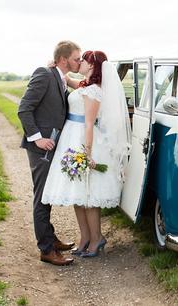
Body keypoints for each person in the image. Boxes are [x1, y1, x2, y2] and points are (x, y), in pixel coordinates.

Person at [41, 50, 131, 257]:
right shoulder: (85, 86)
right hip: (71, 138)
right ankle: (85, 237)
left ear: (92, 65)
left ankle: (96, 238)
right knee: (78, 194)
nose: (80, 62)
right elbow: (68, 79)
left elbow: (89, 125)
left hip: (83, 141)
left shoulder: (94, 91)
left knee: (89, 195)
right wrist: (53, 66)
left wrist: (87, 153)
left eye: (84, 60)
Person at [18, 40, 81, 266]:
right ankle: (46, 250)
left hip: (53, 145)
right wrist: (37, 138)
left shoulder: (60, 77)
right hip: (41, 147)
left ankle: (50, 239)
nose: (79, 61)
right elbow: (24, 108)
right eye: (76, 58)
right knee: (41, 198)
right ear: (63, 59)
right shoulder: (44, 74)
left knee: (47, 195)